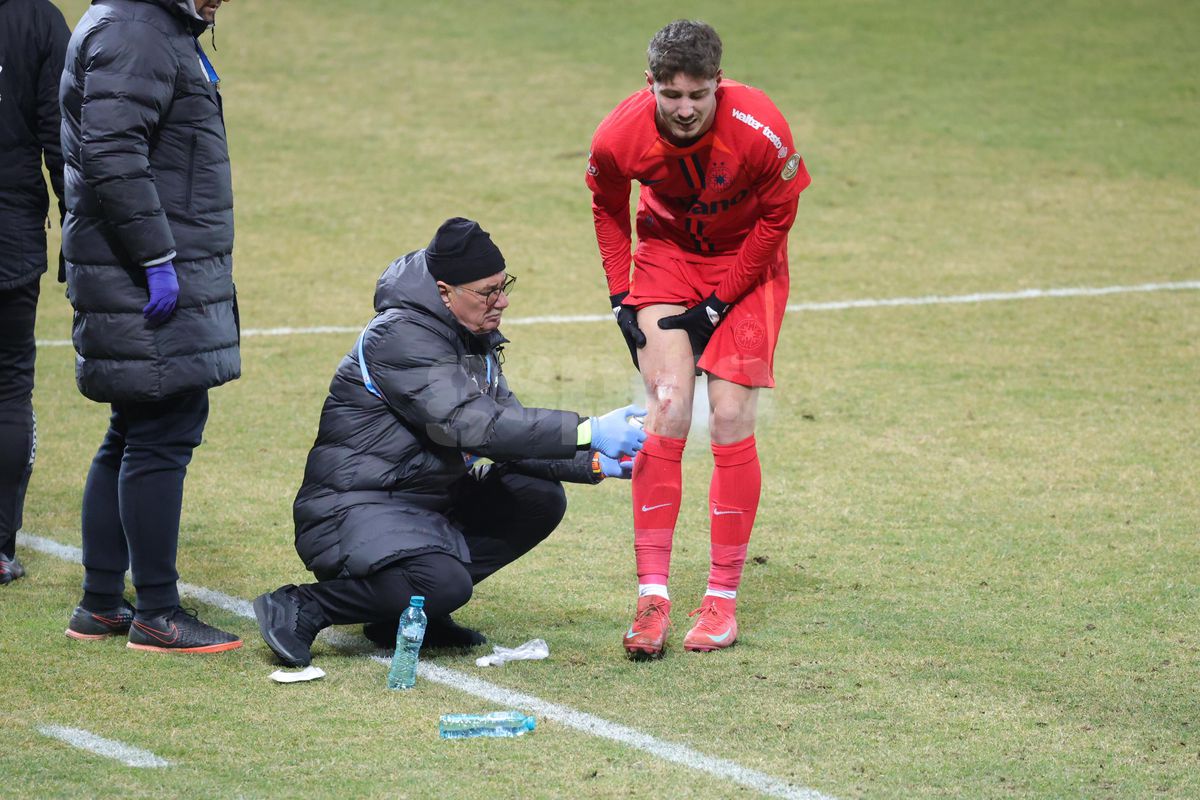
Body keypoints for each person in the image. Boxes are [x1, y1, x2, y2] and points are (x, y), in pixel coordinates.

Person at [253, 218, 646, 668]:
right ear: (444, 292)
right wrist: (589, 429)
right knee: (446, 582)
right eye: (487, 292)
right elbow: (470, 424)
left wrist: (595, 460)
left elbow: (508, 431)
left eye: (504, 286)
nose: (503, 302)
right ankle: (305, 606)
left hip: (418, 504)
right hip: (351, 510)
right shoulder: (398, 337)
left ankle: (404, 612)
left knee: (536, 497)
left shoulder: (470, 336)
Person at [585, 19, 811, 657]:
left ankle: (721, 600)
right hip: (668, 255)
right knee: (668, 405)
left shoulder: (761, 128)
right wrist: (617, 292)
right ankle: (652, 597)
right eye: (670, 93)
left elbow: (778, 215)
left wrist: (718, 304)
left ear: (719, 84)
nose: (684, 109)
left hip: (748, 261)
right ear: (649, 84)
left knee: (732, 413)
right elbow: (606, 201)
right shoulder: (619, 134)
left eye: (698, 95)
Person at [59, 0, 242, 652]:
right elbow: (111, 152)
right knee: (163, 432)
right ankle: (158, 614)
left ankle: (101, 602)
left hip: (130, 265)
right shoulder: (135, 29)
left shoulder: (142, 24)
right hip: (143, 271)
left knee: (133, 430)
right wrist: (158, 258)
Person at [0, 0, 70, 585]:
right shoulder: (38, 18)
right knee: (7, 387)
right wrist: (78, 228)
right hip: (10, 236)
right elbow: (61, 132)